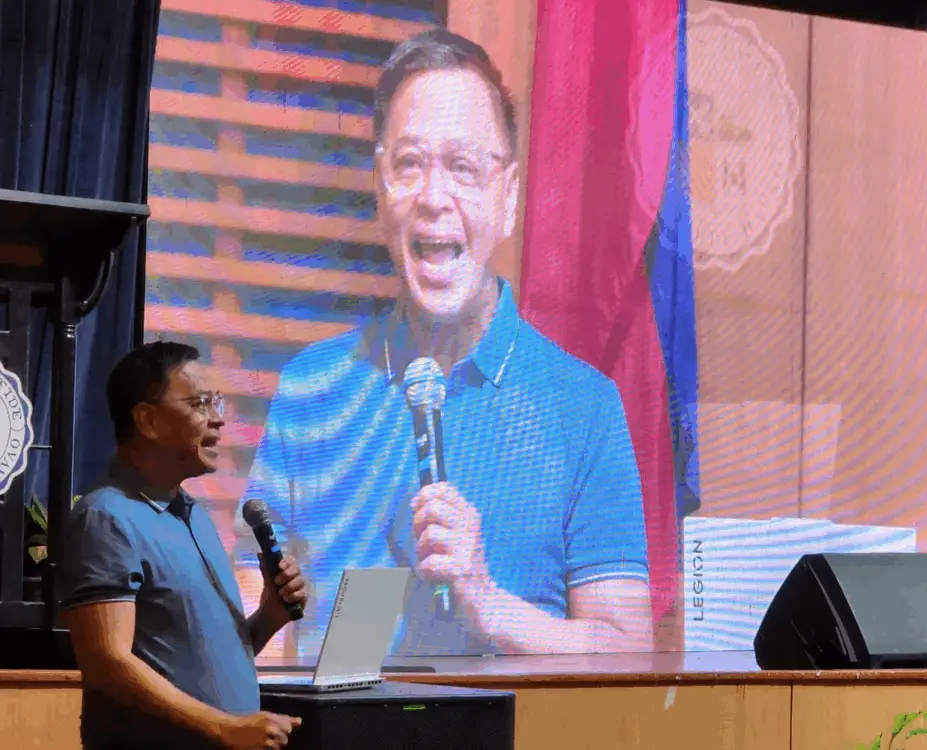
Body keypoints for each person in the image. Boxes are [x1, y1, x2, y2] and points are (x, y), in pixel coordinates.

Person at [239, 29, 653, 657]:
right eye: (409, 165)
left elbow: (629, 653)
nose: (434, 198)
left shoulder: (583, 405)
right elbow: (254, 622)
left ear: (508, 196)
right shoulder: (312, 386)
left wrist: (486, 600)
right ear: (380, 188)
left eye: (462, 167)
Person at [61, 341, 310, 750]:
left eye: (218, 403)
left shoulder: (194, 515)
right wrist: (222, 728)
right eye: (199, 404)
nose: (217, 420)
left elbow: (200, 655)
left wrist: (269, 616)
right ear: (148, 420)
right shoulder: (106, 517)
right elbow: (107, 661)